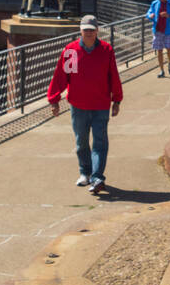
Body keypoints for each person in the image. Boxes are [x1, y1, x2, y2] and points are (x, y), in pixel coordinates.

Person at [47, 14, 122, 193]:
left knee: (100, 142)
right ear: (80, 31)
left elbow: (113, 76)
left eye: (92, 30)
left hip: (101, 104)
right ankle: (85, 172)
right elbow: (61, 77)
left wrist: (117, 100)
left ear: (97, 31)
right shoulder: (71, 51)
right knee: (81, 142)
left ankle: (97, 178)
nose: (88, 33)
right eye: (85, 30)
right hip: (78, 105)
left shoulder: (106, 50)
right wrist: (54, 100)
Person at [146, 0, 170, 77]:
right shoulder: (154, 3)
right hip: (157, 30)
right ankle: (162, 70)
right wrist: (150, 16)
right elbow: (148, 13)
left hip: (168, 30)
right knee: (159, 50)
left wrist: (168, 15)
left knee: (169, 49)